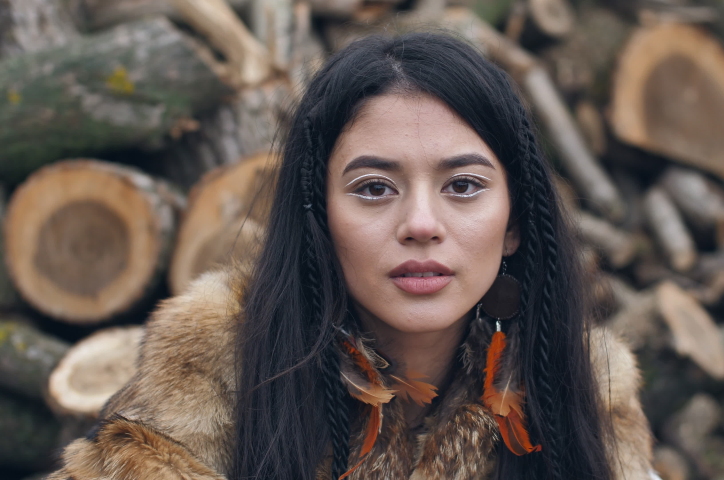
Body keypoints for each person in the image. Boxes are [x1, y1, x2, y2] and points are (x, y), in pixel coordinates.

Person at [48, 33, 655, 480]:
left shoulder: (581, 389)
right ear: (319, 216)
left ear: (515, 222)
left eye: (464, 185)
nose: (421, 225)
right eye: (373, 189)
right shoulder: (212, 372)